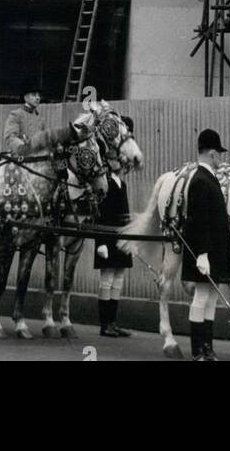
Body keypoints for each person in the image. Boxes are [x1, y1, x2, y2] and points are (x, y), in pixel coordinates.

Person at [182, 128, 230, 362]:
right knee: (201, 297)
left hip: (214, 251)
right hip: (205, 252)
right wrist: (201, 254)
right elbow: (199, 221)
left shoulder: (208, 178)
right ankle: (197, 350)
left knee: (212, 297)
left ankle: (207, 347)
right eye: (219, 154)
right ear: (212, 153)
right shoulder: (201, 180)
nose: (220, 158)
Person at [94, 115, 134, 338]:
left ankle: (113, 321)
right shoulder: (105, 183)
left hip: (120, 237)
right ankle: (104, 324)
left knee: (118, 277)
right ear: (110, 162)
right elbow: (98, 213)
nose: (121, 164)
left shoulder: (122, 183)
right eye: (117, 161)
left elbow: (125, 215)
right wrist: (100, 242)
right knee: (107, 278)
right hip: (106, 239)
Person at [2, 87, 42, 157]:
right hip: (21, 159)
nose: (38, 98)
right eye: (34, 95)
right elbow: (10, 137)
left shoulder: (40, 118)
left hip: (38, 158)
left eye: (39, 95)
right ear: (25, 98)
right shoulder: (16, 114)